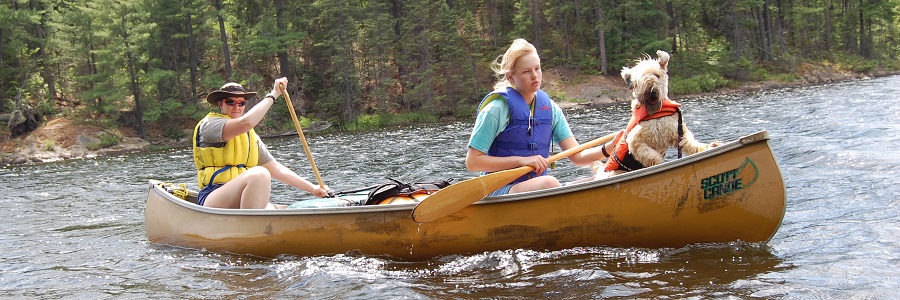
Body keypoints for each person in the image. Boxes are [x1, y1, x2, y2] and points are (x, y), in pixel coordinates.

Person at [465, 39, 612, 196]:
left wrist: (609, 148)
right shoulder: (495, 110)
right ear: (510, 77)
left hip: (537, 188)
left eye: (537, 68)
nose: (535, 76)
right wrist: (521, 160)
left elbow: (577, 156)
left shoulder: (551, 109)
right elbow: (473, 162)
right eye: (526, 71)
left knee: (606, 178)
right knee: (550, 183)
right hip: (498, 189)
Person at [193, 78, 330, 209]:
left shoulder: (249, 137)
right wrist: (274, 94)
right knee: (260, 174)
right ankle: (252, 229)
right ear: (220, 104)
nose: (237, 107)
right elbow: (246, 123)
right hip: (214, 196)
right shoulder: (210, 125)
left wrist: (313, 188)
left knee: (284, 209)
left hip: (243, 197)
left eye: (241, 103)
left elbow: (277, 170)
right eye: (230, 102)